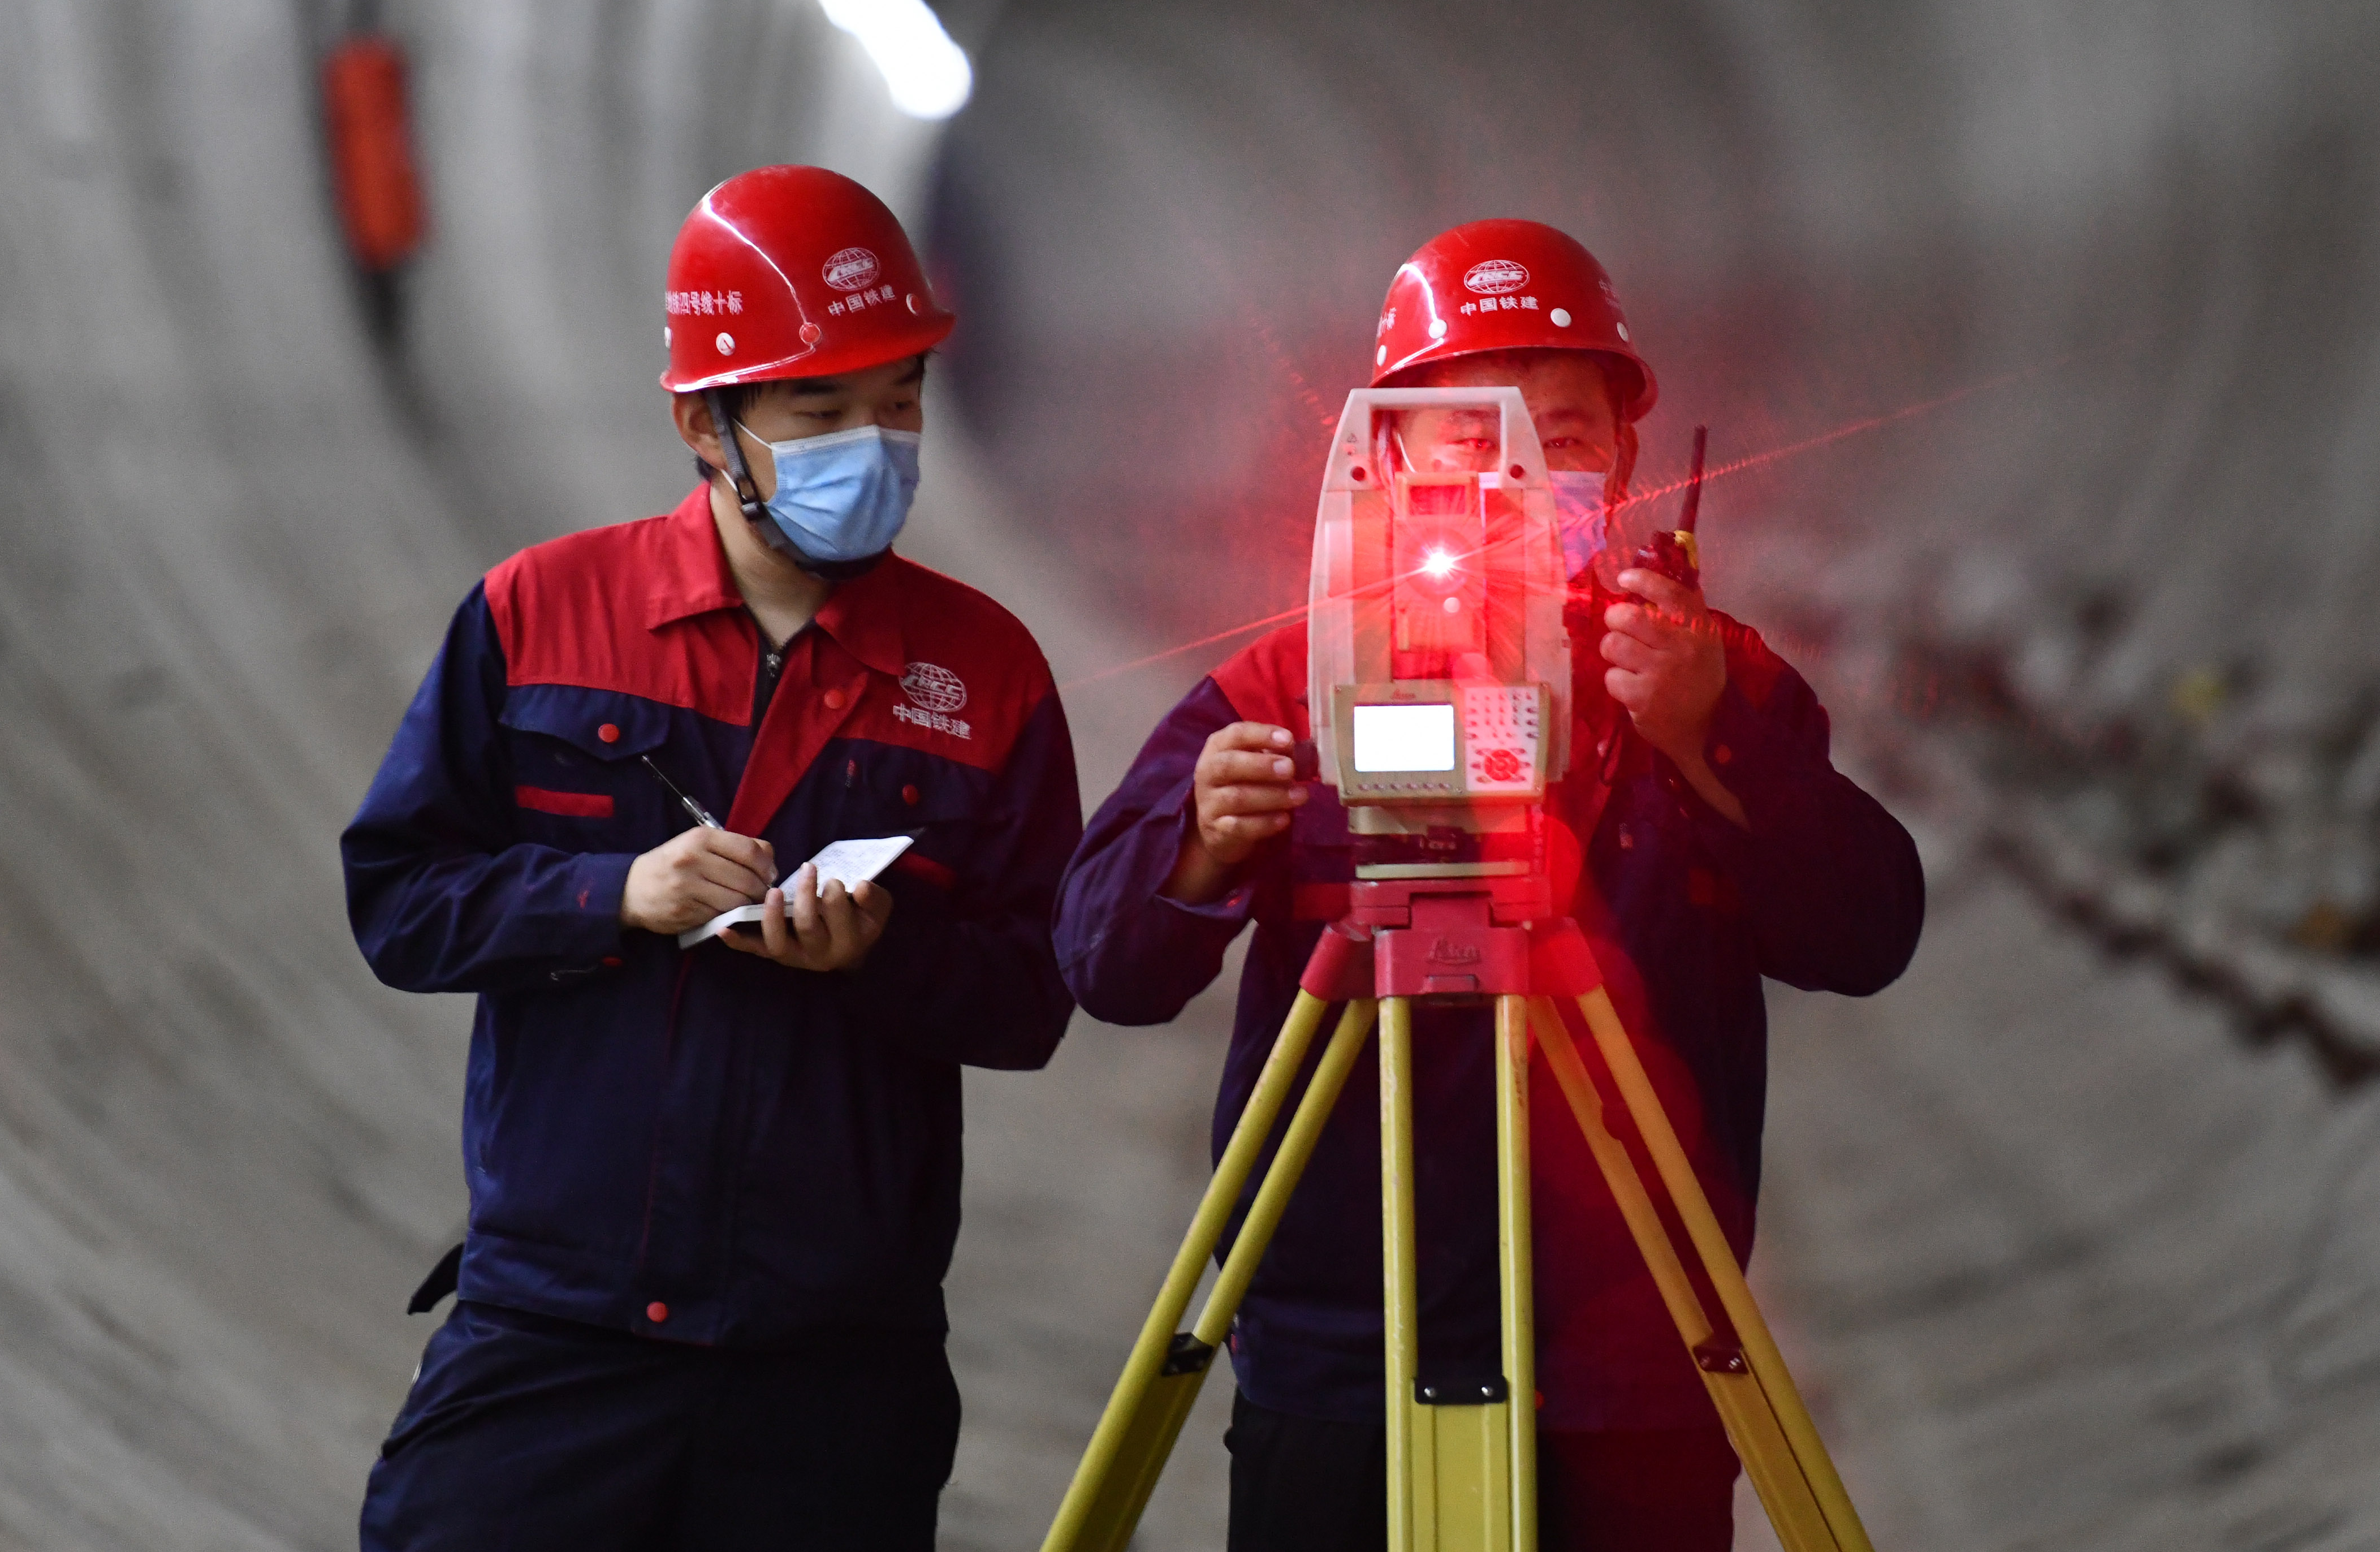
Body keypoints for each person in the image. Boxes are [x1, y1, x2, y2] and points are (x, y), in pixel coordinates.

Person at [1053, 218, 1923, 1552]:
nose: (1514, 468)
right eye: (1471, 431)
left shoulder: (1701, 676)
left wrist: (1710, 739)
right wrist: (1200, 840)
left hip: (1632, 1362)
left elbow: (1867, 929)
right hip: (1348, 1353)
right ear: (1388, 451)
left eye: (1558, 434)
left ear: (1624, 457)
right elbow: (1101, 962)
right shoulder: (1293, 684)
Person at [345, 166, 1079, 1551]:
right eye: (822, 408)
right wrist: (610, 893)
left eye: (901, 399)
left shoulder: (986, 676)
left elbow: (1038, 994)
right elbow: (400, 901)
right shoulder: (538, 613)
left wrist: (887, 953)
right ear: (704, 420)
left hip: (831, 1377)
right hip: (557, 1336)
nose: (876, 443)